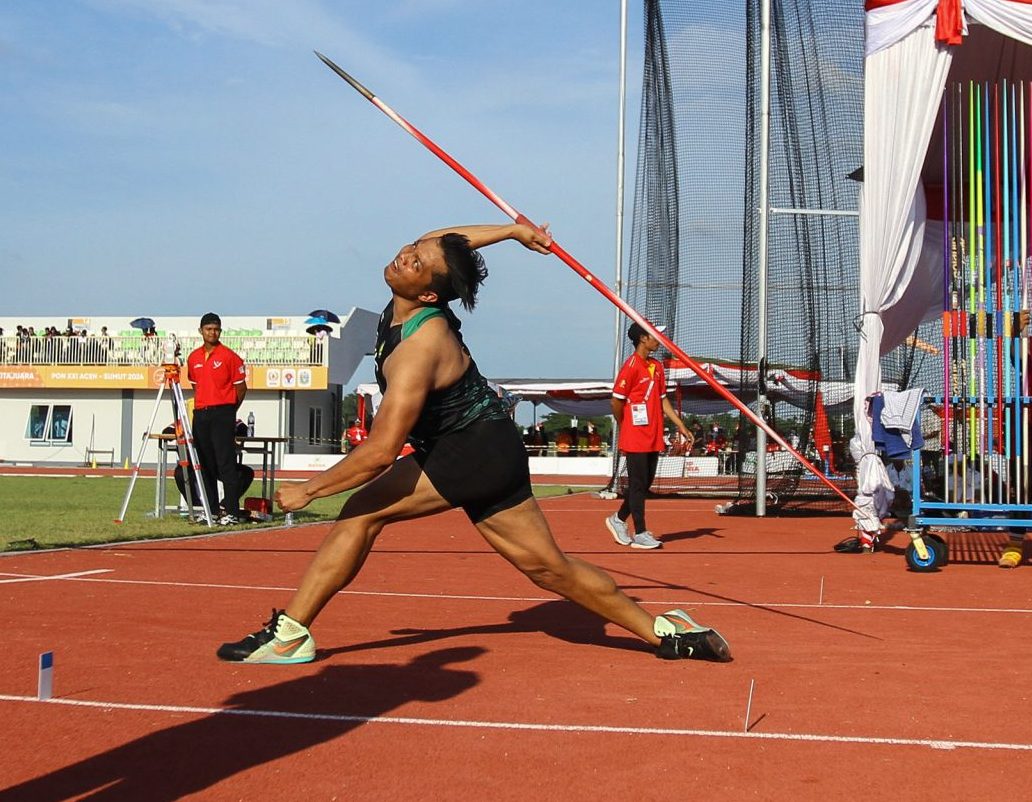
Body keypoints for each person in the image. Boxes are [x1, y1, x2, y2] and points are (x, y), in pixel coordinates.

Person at [216, 223, 730, 664]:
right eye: (411, 250)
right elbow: (447, 239)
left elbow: (379, 449)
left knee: (359, 511)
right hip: (489, 446)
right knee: (549, 569)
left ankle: (290, 636)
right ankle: (666, 633)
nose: (406, 254)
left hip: (470, 450)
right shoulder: (411, 295)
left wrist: (310, 490)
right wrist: (511, 231)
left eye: (417, 262)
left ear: (429, 295)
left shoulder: (419, 347)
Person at [606, 322, 693, 550]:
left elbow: (662, 399)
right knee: (636, 484)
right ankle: (641, 532)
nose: (659, 339)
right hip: (635, 435)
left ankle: (617, 519)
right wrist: (623, 423)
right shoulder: (631, 366)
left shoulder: (656, 367)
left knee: (644, 485)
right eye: (655, 335)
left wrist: (680, 425)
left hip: (653, 433)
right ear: (643, 338)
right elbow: (616, 400)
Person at [187, 312, 248, 526]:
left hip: (223, 413)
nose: (212, 333)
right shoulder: (193, 358)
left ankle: (231, 511)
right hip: (201, 413)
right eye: (208, 329)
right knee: (205, 463)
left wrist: (229, 410)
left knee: (226, 463)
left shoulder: (230, 357)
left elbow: (241, 388)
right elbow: (196, 386)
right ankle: (211, 511)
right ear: (201, 331)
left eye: (216, 329)